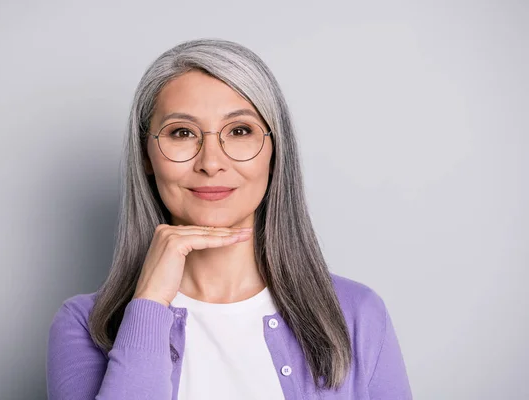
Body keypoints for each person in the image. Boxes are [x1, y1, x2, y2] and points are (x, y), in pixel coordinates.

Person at [46, 38, 413, 400]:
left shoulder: (356, 314)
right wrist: (150, 303)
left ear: (274, 150)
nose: (210, 162)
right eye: (182, 133)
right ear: (146, 155)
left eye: (239, 131)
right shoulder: (85, 325)